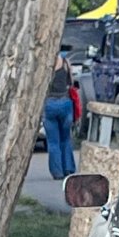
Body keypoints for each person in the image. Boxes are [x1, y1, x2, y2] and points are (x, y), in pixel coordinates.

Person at [42, 46, 77, 180]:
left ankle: (57, 172)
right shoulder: (66, 63)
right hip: (65, 103)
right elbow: (71, 82)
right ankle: (69, 168)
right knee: (66, 138)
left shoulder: (45, 66)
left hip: (49, 103)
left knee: (53, 142)